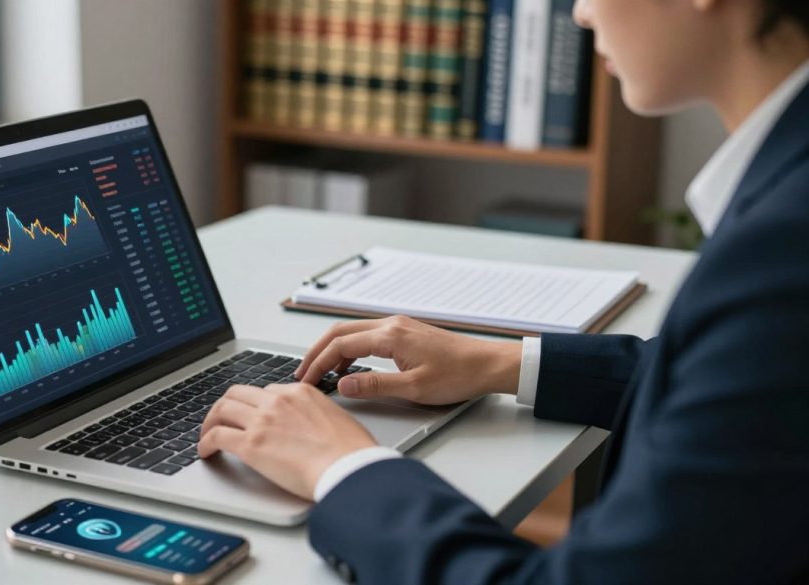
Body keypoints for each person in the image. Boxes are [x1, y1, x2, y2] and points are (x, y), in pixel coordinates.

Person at [199, 0, 809, 582]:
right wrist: (501, 362)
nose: (580, 12)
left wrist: (341, 468)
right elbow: (740, 378)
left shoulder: (782, 249)